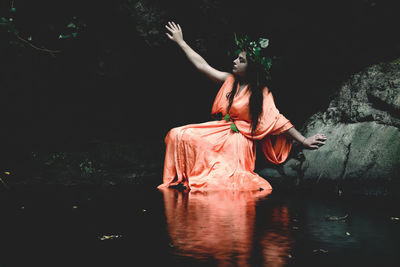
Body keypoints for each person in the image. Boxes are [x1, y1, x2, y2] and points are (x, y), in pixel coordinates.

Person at [157, 21, 327, 192]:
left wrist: (304, 140)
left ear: (251, 68)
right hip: (221, 130)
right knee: (176, 134)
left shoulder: (261, 93)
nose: (235, 61)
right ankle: (187, 176)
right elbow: (203, 66)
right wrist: (181, 42)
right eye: (237, 58)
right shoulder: (230, 80)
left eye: (241, 60)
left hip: (239, 140)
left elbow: (278, 121)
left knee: (219, 173)